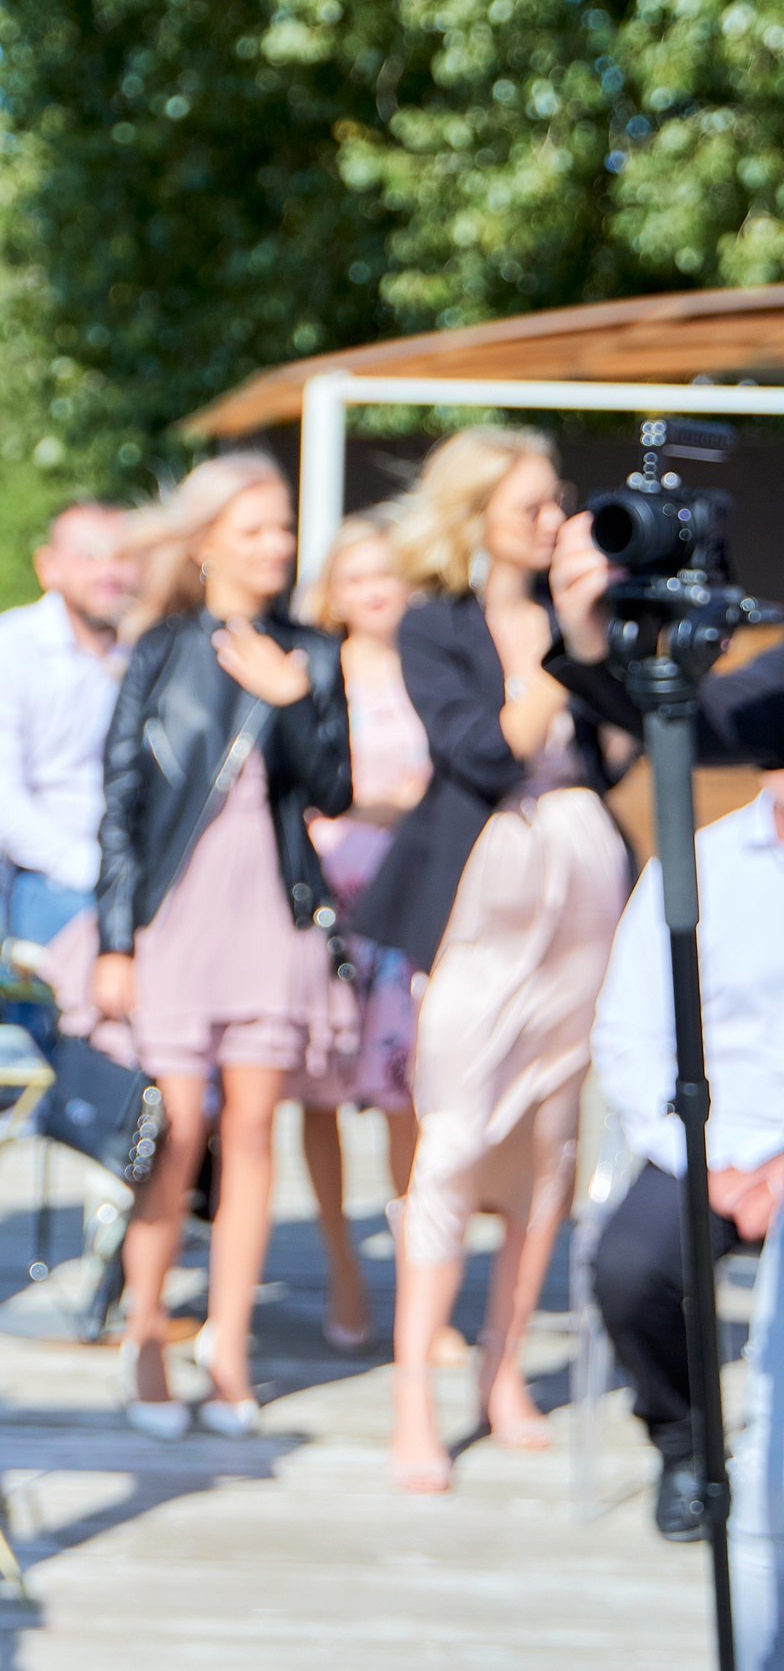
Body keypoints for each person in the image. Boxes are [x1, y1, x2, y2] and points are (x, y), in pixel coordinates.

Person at [355, 426, 630, 1495]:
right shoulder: (434, 628)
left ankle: (504, 1372)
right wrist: (561, 644)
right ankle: (414, 1395)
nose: (551, 519)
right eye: (528, 507)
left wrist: (590, 639)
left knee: (549, 1146)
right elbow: (484, 750)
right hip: (479, 912)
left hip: (580, 906)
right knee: (453, 1137)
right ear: (475, 518)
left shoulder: (590, 625)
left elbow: (612, 746)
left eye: (555, 501)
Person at [78, 454, 352, 1440]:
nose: (275, 546)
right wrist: (115, 939)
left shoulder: (315, 651)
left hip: (269, 914)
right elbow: (117, 804)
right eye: (253, 530)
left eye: (282, 529)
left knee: (250, 1133)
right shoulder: (158, 649)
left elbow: (334, 792)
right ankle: (145, 1326)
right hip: (178, 910)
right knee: (177, 1130)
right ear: (204, 545)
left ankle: (226, 1342)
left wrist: (296, 699)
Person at [591, 772, 784, 1540]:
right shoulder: (696, 863)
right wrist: (711, 1162)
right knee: (630, 1269)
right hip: (713, 1141)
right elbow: (629, 1036)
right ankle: (685, 1445)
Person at [296, 513, 432, 1353]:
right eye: (357, 576)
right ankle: (342, 1266)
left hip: (409, 903)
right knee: (318, 1091)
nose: (375, 590)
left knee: (406, 1095)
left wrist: (377, 806)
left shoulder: (435, 668)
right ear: (334, 592)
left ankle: (424, 1288)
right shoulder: (314, 672)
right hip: (323, 907)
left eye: (388, 573)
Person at [0, 500, 136, 949]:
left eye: (123, 557)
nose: (108, 573)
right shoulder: (5, 650)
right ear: (48, 568)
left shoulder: (148, 649)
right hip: (35, 873)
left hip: (127, 864)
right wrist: (92, 868)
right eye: (89, 557)